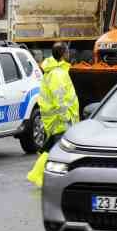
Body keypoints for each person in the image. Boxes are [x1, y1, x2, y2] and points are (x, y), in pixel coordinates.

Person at [27, 42, 80, 187]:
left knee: (51, 147)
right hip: (61, 118)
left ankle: (39, 175)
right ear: (63, 54)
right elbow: (60, 98)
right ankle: (36, 175)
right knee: (54, 148)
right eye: (67, 52)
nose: (69, 54)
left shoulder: (56, 71)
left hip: (56, 117)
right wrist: (66, 117)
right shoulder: (58, 73)